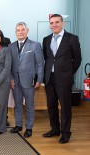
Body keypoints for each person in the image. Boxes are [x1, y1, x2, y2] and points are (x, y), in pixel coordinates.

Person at [42, 14, 82, 143]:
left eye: (57, 22)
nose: (54, 25)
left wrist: (69, 73)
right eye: (51, 22)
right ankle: (55, 129)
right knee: (51, 105)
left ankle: (65, 132)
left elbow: (77, 59)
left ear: (62, 23)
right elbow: (47, 58)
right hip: (49, 78)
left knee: (65, 106)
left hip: (64, 79)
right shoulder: (46, 39)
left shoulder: (72, 38)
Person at [9, 22, 44, 138]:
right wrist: (11, 78)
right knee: (17, 105)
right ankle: (18, 125)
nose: (20, 32)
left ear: (27, 31)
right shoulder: (11, 46)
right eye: (18, 30)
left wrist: (39, 79)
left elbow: (40, 64)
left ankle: (29, 127)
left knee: (29, 105)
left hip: (29, 81)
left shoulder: (35, 45)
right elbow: (8, 65)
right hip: (15, 81)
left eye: (23, 29)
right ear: (15, 32)